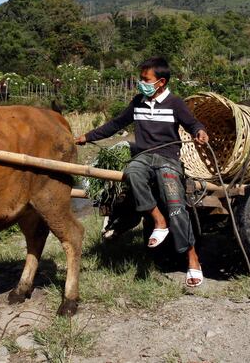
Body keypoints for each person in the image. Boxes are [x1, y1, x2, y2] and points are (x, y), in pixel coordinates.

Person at [76, 57, 209, 287]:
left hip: (168, 158)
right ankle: (159, 222)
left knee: (176, 206)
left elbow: (193, 123)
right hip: (144, 157)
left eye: (145, 80)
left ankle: (192, 259)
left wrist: (200, 131)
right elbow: (115, 124)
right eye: (141, 79)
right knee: (133, 172)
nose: (141, 83)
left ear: (161, 82)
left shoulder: (175, 103)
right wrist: (87, 137)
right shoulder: (138, 102)